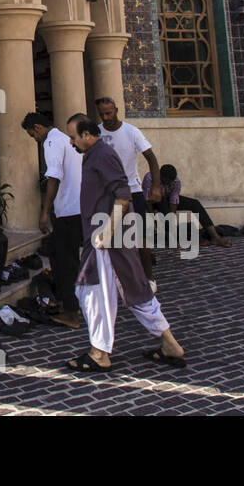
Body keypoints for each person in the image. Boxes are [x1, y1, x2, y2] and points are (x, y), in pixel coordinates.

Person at [65, 118, 186, 373]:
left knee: (93, 293)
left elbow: (123, 195)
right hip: (110, 237)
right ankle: (170, 345)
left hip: (107, 239)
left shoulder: (103, 155)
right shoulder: (94, 154)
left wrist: (106, 232)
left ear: (87, 134)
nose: (71, 142)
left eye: (74, 137)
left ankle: (99, 353)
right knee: (135, 289)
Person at [22, 110, 83, 328]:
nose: (35, 140)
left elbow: (54, 177)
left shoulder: (51, 143)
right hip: (79, 209)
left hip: (66, 211)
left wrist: (45, 211)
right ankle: (74, 303)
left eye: (32, 135)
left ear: (38, 128)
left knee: (63, 262)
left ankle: (70, 311)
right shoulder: (68, 139)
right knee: (69, 259)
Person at [95, 97, 160, 285]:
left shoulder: (131, 132)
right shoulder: (97, 133)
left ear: (116, 110)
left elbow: (151, 158)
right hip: (108, 193)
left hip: (132, 190)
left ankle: (149, 278)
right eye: (103, 114)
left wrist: (155, 186)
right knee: (107, 237)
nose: (107, 117)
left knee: (140, 237)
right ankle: (111, 279)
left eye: (109, 112)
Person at [143, 164, 232, 248]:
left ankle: (215, 237)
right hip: (153, 201)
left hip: (167, 199)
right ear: (160, 176)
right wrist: (154, 218)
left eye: (171, 182)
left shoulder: (176, 181)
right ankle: (170, 238)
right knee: (162, 203)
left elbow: (174, 200)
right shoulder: (149, 178)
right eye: (167, 182)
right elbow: (147, 200)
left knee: (195, 203)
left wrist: (171, 217)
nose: (169, 184)